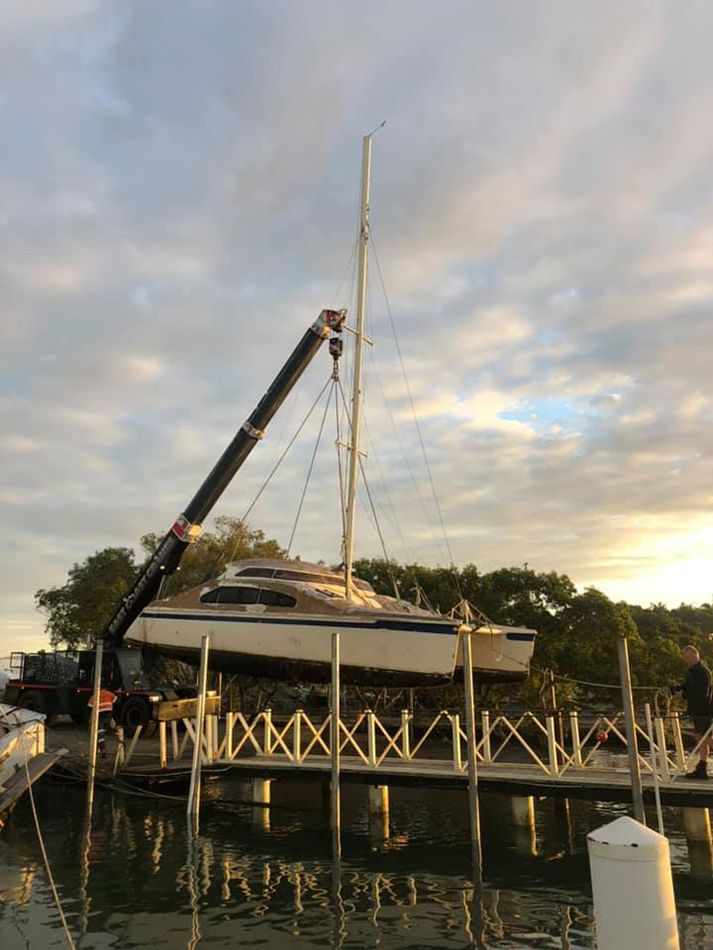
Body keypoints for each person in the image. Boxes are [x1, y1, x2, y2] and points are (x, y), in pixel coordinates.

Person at [671, 645, 713, 779]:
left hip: (704, 711)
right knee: (701, 738)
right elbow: (688, 686)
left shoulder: (701, 671)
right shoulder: (693, 671)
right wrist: (675, 689)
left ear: (694, 655)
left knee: (704, 738)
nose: (685, 660)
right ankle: (702, 767)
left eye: (687, 657)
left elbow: (701, 694)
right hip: (698, 710)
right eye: (685, 657)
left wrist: (683, 695)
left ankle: (702, 767)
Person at [88, 687, 117, 758]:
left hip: (100, 714)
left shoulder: (95, 695)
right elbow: (115, 699)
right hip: (108, 714)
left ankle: (102, 750)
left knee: (100, 734)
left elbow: (89, 705)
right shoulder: (109, 693)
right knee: (102, 730)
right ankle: (112, 728)